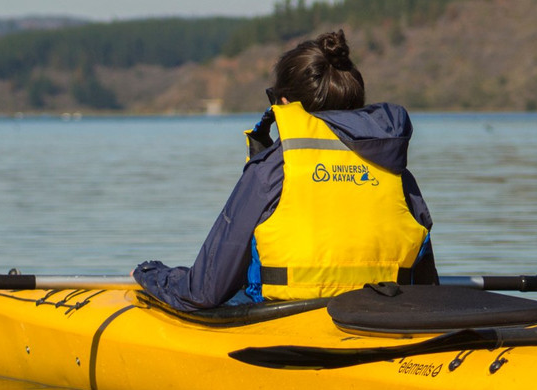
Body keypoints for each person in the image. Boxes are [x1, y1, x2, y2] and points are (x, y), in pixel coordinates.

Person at [133, 29, 437, 311]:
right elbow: (426, 284)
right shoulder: (395, 168)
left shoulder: (271, 170)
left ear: (284, 102)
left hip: (285, 325)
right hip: (384, 319)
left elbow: (203, 291)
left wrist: (153, 274)